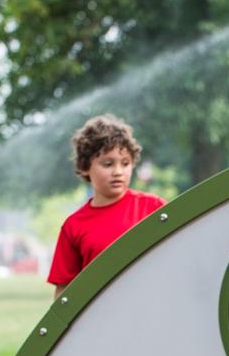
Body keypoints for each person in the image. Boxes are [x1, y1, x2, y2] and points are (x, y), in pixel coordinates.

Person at [48, 115, 166, 295]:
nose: (118, 172)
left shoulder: (154, 208)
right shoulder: (73, 226)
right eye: (107, 164)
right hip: (100, 320)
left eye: (125, 163)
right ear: (84, 167)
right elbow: (64, 293)